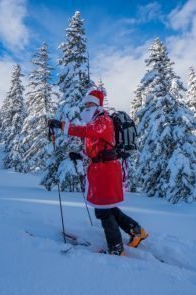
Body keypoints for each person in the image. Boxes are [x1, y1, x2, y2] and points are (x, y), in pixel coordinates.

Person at [48, 89, 148, 256]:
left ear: (97, 105)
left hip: (106, 170)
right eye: (86, 103)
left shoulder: (103, 120)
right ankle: (137, 231)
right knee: (108, 208)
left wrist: (61, 126)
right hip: (100, 170)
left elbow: (86, 131)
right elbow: (96, 146)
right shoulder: (96, 122)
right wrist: (80, 154)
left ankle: (116, 249)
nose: (87, 106)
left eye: (90, 104)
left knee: (103, 210)